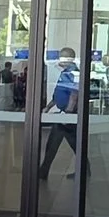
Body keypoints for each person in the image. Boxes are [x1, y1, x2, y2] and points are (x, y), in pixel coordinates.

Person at [35, 49, 84, 188]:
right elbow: (59, 93)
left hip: (68, 115)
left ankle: (43, 171)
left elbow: (74, 93)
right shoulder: (65, 73)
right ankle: (84, 169)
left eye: (60, 57)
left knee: (56, 143)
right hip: (65, 114)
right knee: (70, 143)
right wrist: (49, 107)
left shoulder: (72, 72)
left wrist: (67, 113)